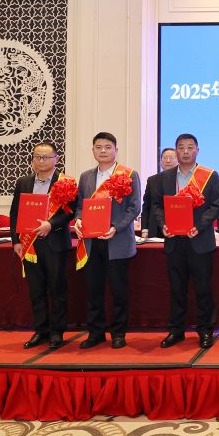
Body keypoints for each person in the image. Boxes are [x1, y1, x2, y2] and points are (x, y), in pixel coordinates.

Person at [153, 134, 219, 349]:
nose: (185, 151)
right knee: (176, 288)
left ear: (197, 150)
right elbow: (157, 206)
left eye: (190, 147)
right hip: (174, 241)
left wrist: (199, 226)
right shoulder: (165, 177)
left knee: (203, 289)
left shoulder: (209, 175)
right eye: (181, 147)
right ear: (175, 151)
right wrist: (163, 224)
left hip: (199, 241)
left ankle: (205, 330)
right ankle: (176, 330)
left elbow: (217, 205)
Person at [73, 132, 141, 349]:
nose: (103, 151)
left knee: (119, 291)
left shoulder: (129, 174)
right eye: (98, 147)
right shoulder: (86, 177)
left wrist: (116, 227)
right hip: (92, 242)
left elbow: (134, 207)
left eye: (108, 147)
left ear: (116, 150)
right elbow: (80, 206)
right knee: (94, 290)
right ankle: (96, 333)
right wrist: (78, 220)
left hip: (117, 241)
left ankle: (119, 333)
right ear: (93, 150)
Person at [9, 141, 74, 350]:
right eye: (37, 156)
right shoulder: (23, 182)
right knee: (36, 290)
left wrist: (50, 224)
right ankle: (41, 331)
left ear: (56, 159)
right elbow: (14, 213)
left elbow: (70, 212)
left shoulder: (66, 182)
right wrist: (16, 241)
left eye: (46, 157)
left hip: (55, 243)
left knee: (57, 290)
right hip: (30, 245)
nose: (41, 160)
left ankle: (57, 332)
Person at [141, 147, 176, 238]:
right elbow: (146, 205)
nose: (168, 161)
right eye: (165, 158)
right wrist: (144, 229)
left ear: (178, 160)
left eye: (171, 158)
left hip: (176, 226)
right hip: (155, 227)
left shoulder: (181, 180)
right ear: (160, 161)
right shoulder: (152, 180)